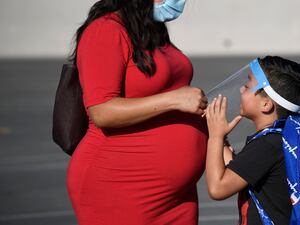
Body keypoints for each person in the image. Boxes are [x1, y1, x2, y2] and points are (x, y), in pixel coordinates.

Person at [66, 0, 208, 224]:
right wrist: (173, 100)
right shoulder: (105, 29)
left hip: (178, 197)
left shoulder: (150, 28)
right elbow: (102, 111)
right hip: (121, 187)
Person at [205, 56, 300, 225]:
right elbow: (241, 171)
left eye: (247, 86)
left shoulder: (267, 145)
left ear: (266, 104)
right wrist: (221, 139)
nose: (241, 90)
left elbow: (217, 188)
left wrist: (215, 137)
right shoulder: (282, 135)